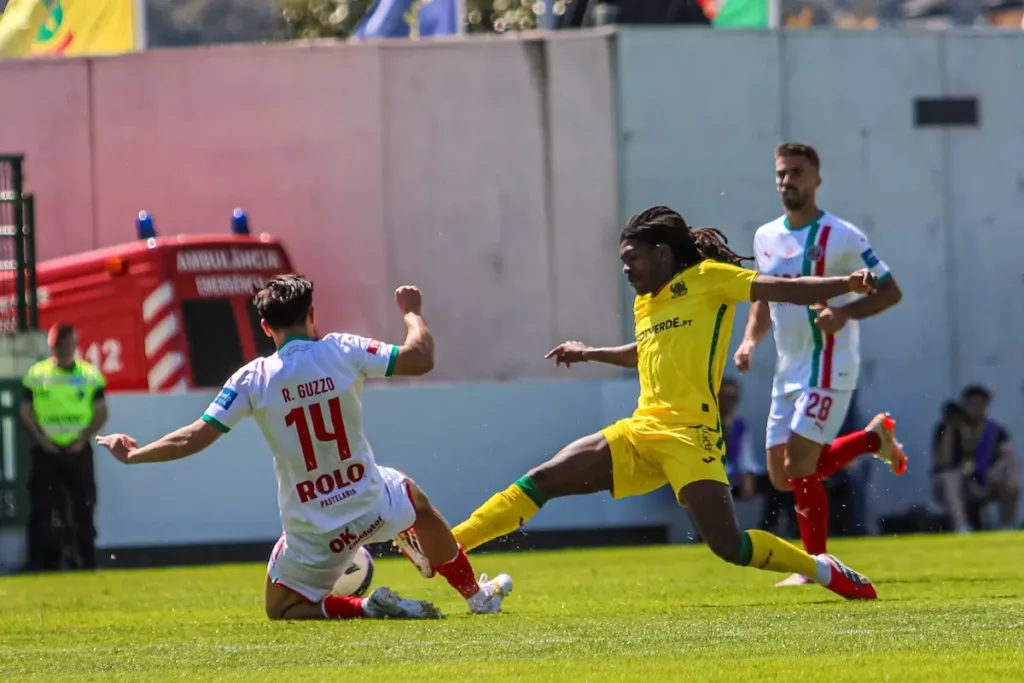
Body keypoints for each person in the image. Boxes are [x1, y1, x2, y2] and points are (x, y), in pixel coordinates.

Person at [398, 206, 881, 600]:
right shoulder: (645, 301)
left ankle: (822, 570)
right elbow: (645, 351)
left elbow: (784, 289)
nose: (626, 269)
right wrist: (589, 352)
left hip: (692, 437)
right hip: (641, 429)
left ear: (664, 253)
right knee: (544, 477)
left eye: (633, 259)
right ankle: (446, 545)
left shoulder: (711, 279)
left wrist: (845, 285)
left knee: (729, 547)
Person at [95, 275, 512, 620]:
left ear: (264, 327)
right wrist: (411, 311)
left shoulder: (251, 379)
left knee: (284, 609)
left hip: (315, 529)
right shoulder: (342, 349)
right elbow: (420, 358)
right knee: (414, 502)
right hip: (370, 504)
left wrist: (134, 454)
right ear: (312, 315)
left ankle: (369, 608)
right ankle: (476, 596)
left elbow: (194, 436)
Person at [733, 142, 906, 588]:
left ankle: (815, 565)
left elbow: (890, 290)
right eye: (781, 174)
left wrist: (846, 313)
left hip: (830, 364)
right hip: (787, 370)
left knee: (799, 464)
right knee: (781, 475)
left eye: (796, 172)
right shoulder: (765, 237)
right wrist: (750, 342)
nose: (787, 181)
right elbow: (763, 298)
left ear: (816, 179)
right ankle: (870, 439)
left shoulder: (842, 235)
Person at [21, 324, 108, 571]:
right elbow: (26, 413)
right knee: (42, 508)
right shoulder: (37, 375)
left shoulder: (90, 375)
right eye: (58, 343)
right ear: (52, 346)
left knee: (84, 507)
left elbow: (101, 412)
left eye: (69, 342)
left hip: (78, 451)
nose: (64, 348)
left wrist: (82, 439)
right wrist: (42, 441)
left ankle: (86, 561)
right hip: (46, 452)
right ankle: (40, 563)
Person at [932, 386, 1020, 532]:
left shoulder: (994, 430)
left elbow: (1009, 453)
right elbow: (940, 462)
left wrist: (999, 468)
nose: (976, 409)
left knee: (1011, 475)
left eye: (980, 405)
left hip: (986, 479)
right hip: (957, 481)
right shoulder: (949, 428)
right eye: (972, 404)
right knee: (949, 478)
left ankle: (1007, 525)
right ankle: (962, 527)